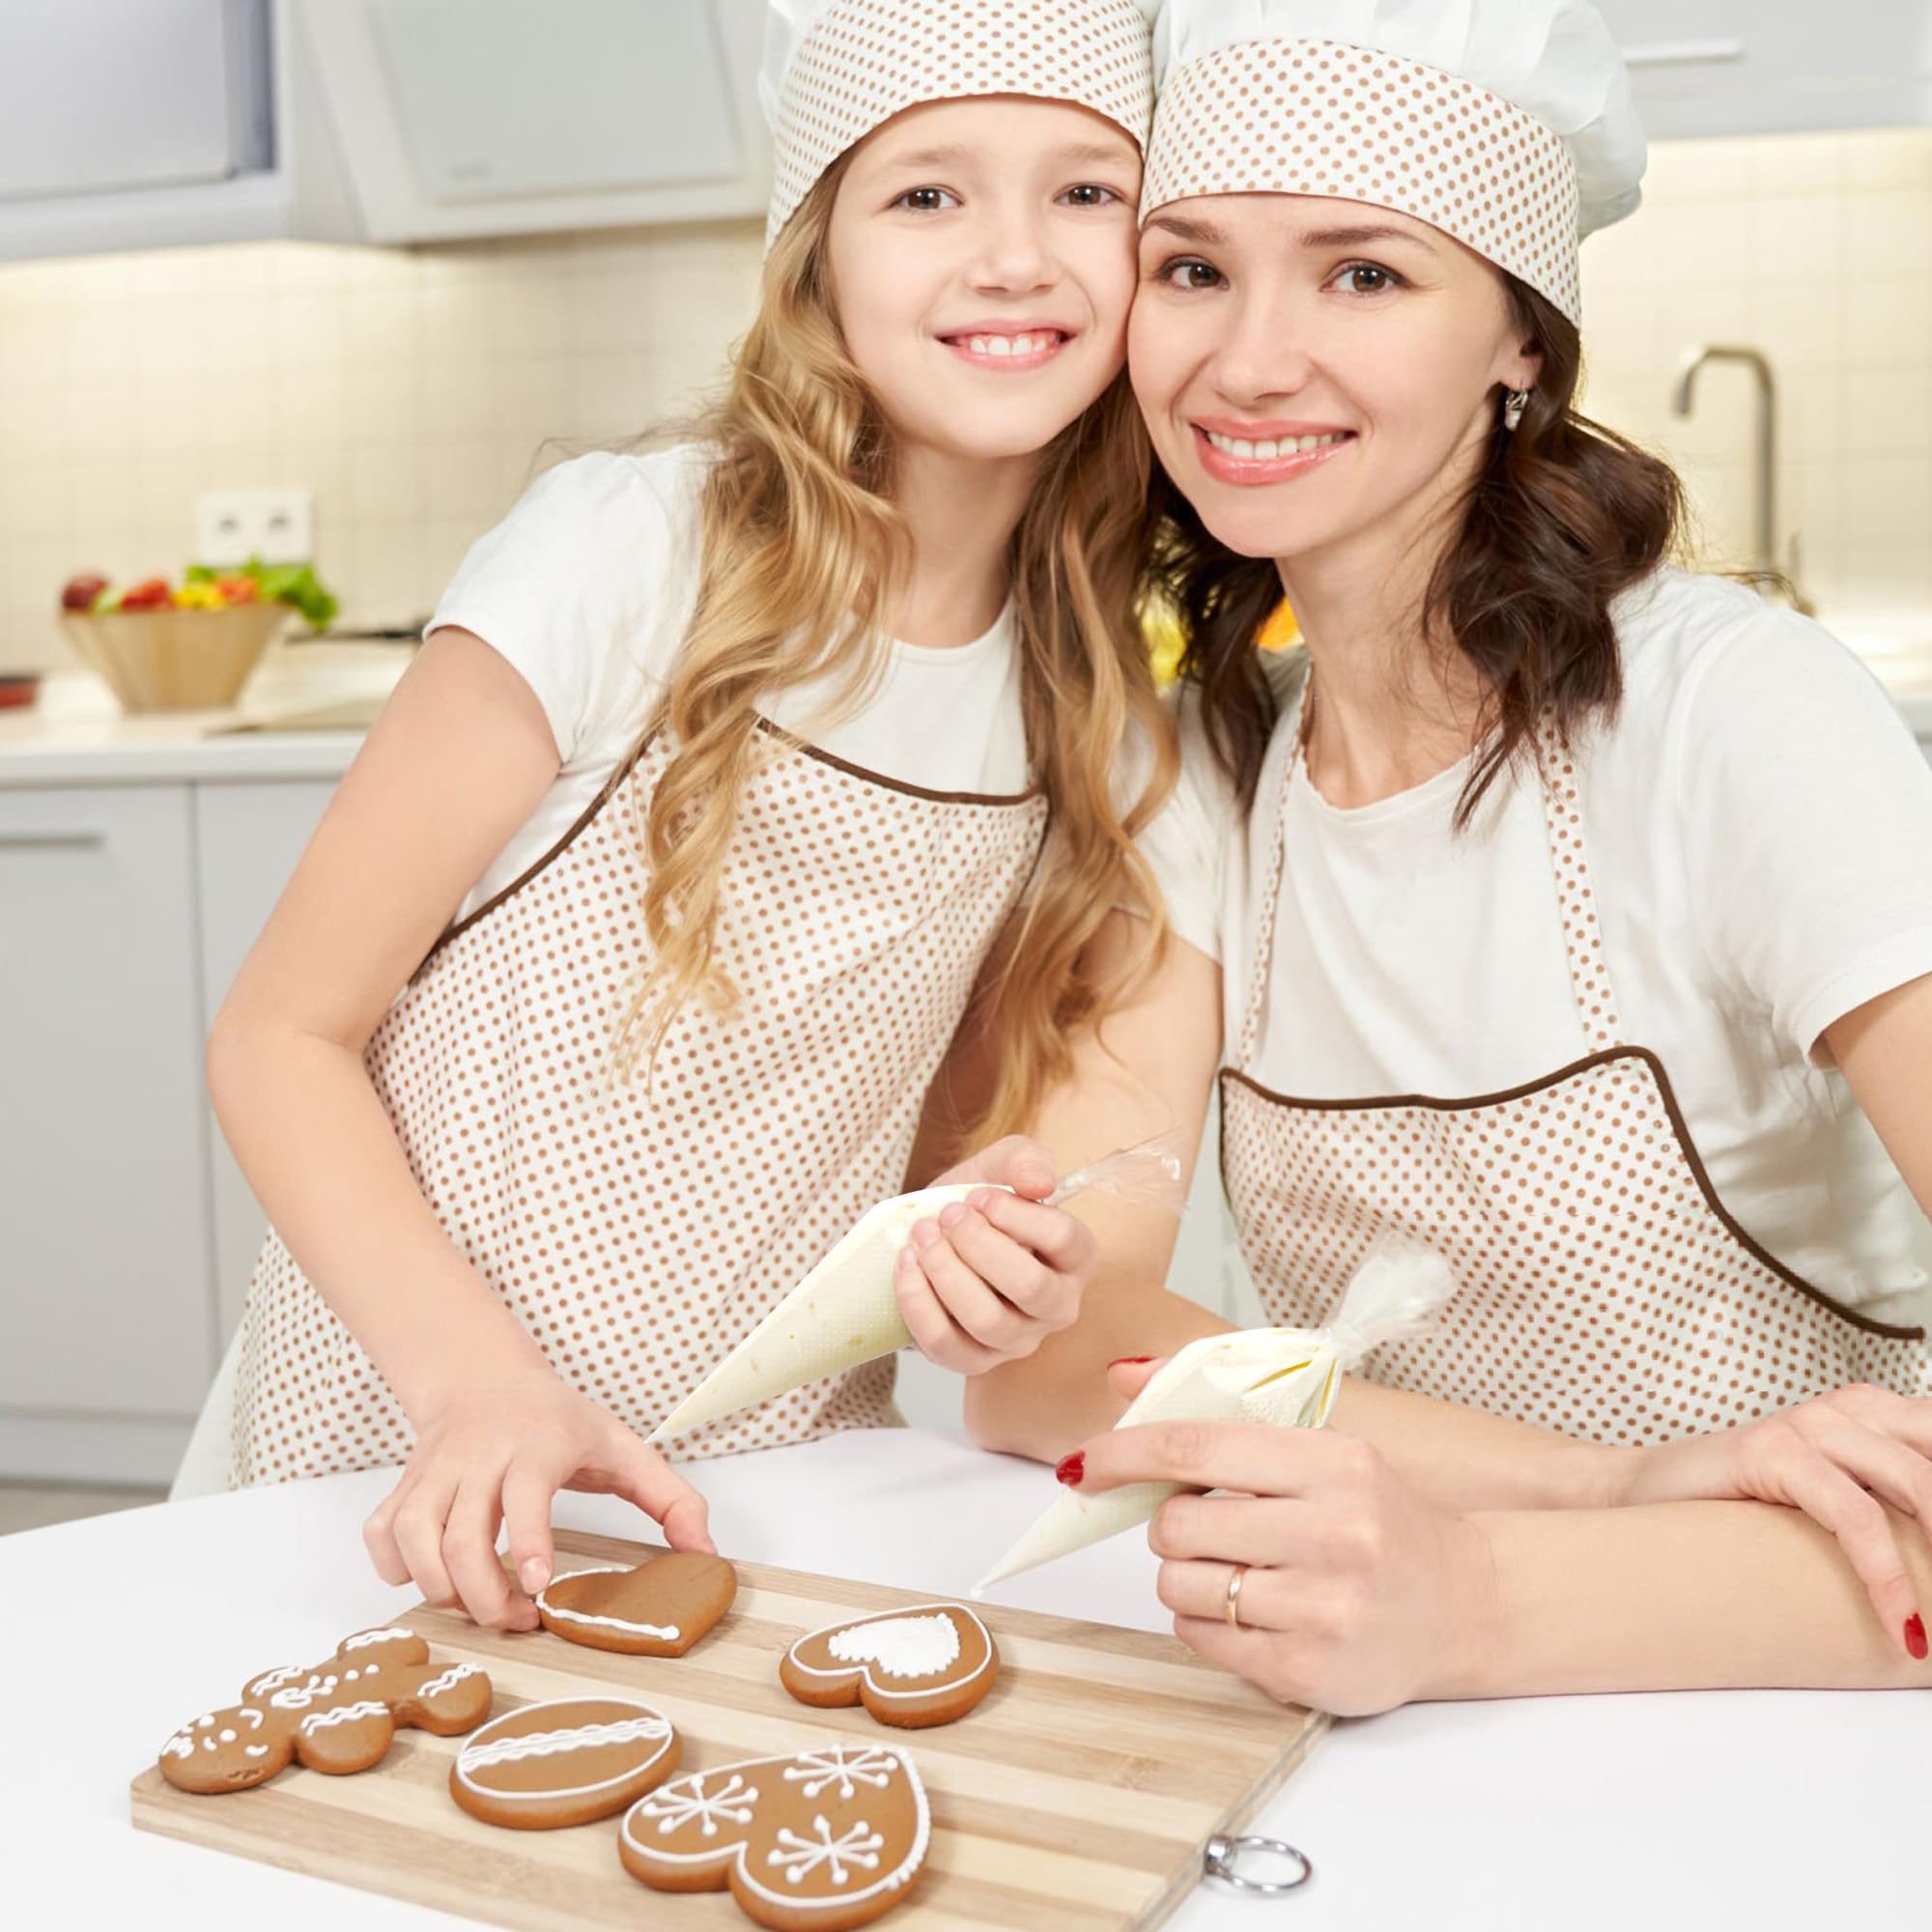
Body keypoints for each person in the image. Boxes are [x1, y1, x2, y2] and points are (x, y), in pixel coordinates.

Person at [945, 0, 1932, 1709]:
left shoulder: (1728, 714)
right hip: (1400, 1694)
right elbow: (1049, 1375)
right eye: (1191, 271)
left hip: (1803, 1683)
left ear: (1523, 345)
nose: (1246, 363)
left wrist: (1467, 1593)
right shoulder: (1204, 771)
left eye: (1364, 275)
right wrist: (1603, 1489)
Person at [188, 0, 1175, 1635]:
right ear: (819, 259)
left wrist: (982, 1261)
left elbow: (882, 1141)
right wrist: (481, 1393)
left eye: (1087, 193)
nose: (1017, 258)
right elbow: (280, 1036)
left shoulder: (1082, 692)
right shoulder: (626, 555)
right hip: (394, 1459)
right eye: (928, 194)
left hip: (766, 1502)